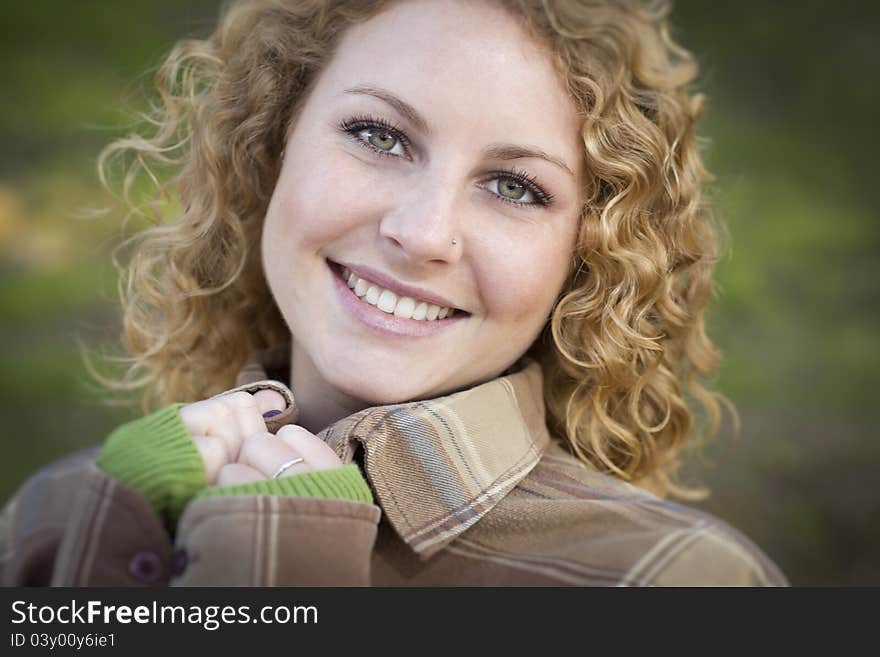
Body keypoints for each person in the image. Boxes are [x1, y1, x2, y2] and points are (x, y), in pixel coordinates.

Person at [0, 0, 787, 586]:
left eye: (514, 186)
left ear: (584, 258)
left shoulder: (676, 580)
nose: (422, 232)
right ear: (272, 145)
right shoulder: (66, 507)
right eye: (379, 136)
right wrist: (97, 533)